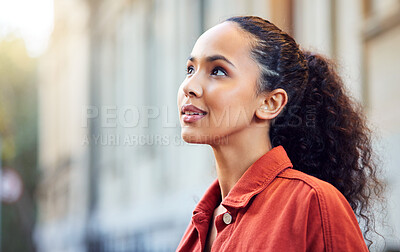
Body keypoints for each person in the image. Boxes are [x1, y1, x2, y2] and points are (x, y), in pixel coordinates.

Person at [176, 16, 383, 251]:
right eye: (190, 69)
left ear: (270, 103)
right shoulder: (199, 224)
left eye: (218, 71)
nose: (188, 86)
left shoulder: (313, 203)